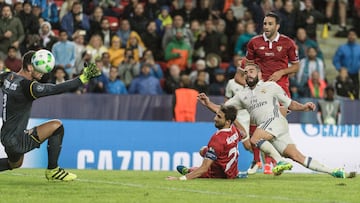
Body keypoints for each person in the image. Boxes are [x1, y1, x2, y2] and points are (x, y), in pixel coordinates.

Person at [197, 63, 355, 178]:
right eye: (245, 72)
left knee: (254, 139)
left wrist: (304, 107)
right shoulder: (241, 95)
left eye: (251, 71)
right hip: (270, 128)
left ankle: (279, 162)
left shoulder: (271, 86)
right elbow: (223, 109)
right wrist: (208, 103)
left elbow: (289, 103)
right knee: (296, 156)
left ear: (259, 74)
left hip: (276, 121)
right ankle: (335, 172)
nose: (248, 74)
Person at [0, 50, 101, 181]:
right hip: (16, 139)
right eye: (40, 69)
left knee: (15, 164)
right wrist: (82, 78)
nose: (43, 73)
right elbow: (54, 89)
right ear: (30, 67)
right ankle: (53, 170)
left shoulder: (8, 76)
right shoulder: (27, 87)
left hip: (7, 135)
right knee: (56, 126)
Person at [166, 105, 245, 180]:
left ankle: (188, 170)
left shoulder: (218, 139)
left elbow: (204, 169)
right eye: (217, 115)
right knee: (204, 150)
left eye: (219, 117)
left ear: (228, 122)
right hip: (233, 173)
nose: (215, 118)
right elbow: (244, 134)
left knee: (202, 159)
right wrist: (233, 120)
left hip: (218, 175)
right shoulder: (234, 130)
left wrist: (179, 179)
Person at [246, 12, 299, 100]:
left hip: (280, 85)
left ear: (277, 26)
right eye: (265, 24)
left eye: (270, 24)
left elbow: (296, 66)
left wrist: (281, 72)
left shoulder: (288, 42)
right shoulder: (254, 42)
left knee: (281, 113)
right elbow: (249, 64)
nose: (266, 26)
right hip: (260, 85)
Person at [333, 29, 360, 99]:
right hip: (344, 75)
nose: (351, 36)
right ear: (347, 36)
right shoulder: (342, 48)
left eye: (353, 35)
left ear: (356, 36)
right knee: (344, 94)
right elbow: (336, 60)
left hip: (355, 74)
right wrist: (340, 69)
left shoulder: (359, 48)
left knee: (355, 93)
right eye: (350, 35)